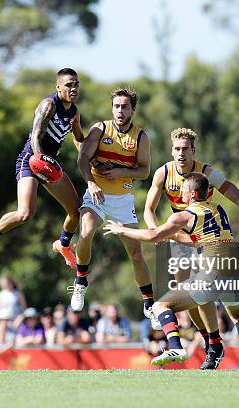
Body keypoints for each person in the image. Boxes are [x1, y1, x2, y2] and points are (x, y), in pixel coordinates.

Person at [142, 127, 239, 370]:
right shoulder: (163, 173)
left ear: (193, 151)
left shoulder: (207, 173)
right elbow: (149, 208)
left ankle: (214, 341)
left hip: (205, 238)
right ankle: (213, 341)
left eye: (185, 149)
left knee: (199, 291)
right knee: (189, 294)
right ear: (171, 150)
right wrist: (154, 230)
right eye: (176, 149)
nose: (180, 153)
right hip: (180, 238)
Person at [104, 173, 230, 368]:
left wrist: (122, 230)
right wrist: (175, 237)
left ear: (193, 194)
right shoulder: (218, 210)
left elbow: (152, 235)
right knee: (203, 301)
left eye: (184, 191)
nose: (181, 194)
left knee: (160, 306)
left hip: (210, 274)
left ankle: (176, 347)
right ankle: (215, 344)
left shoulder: (184, 215)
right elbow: (201, 240)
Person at [0, 68, 84, 269]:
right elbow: (35, 137)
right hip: (31, 161)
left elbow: (79, 138)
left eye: (76, 85)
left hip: (50, 165)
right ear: (58, 87)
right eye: (68, 85)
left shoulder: (74, 111)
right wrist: (41, 163)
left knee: (76, 211)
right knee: (24, 214)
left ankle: (63, 245)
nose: (73, 88)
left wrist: (91, 154)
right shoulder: (49, 105)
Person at [70, 87, 160, 330]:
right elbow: (82, 158)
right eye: (117, 106)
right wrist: (91, 183)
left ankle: (149, 303)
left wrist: (122, 172)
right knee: (86, 233)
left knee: (136, 254)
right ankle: (80, 281)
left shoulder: (140, 137)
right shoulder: (100, 129)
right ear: (112, 108)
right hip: (96, 194)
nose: (120, 110)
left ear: (133, 110)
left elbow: (144, 171)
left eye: (125, 106)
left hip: (123, 200)